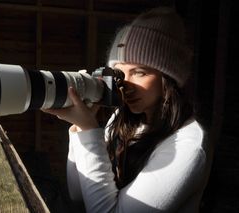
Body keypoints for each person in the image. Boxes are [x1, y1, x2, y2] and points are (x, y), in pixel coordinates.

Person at [43, 6, 211, 213]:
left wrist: (89, 130)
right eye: (118, 74)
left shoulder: (188, 146)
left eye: (139, 73)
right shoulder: (123, 119)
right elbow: (79, 195)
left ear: (169, 79)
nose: (124, 85)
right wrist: (80, 128)